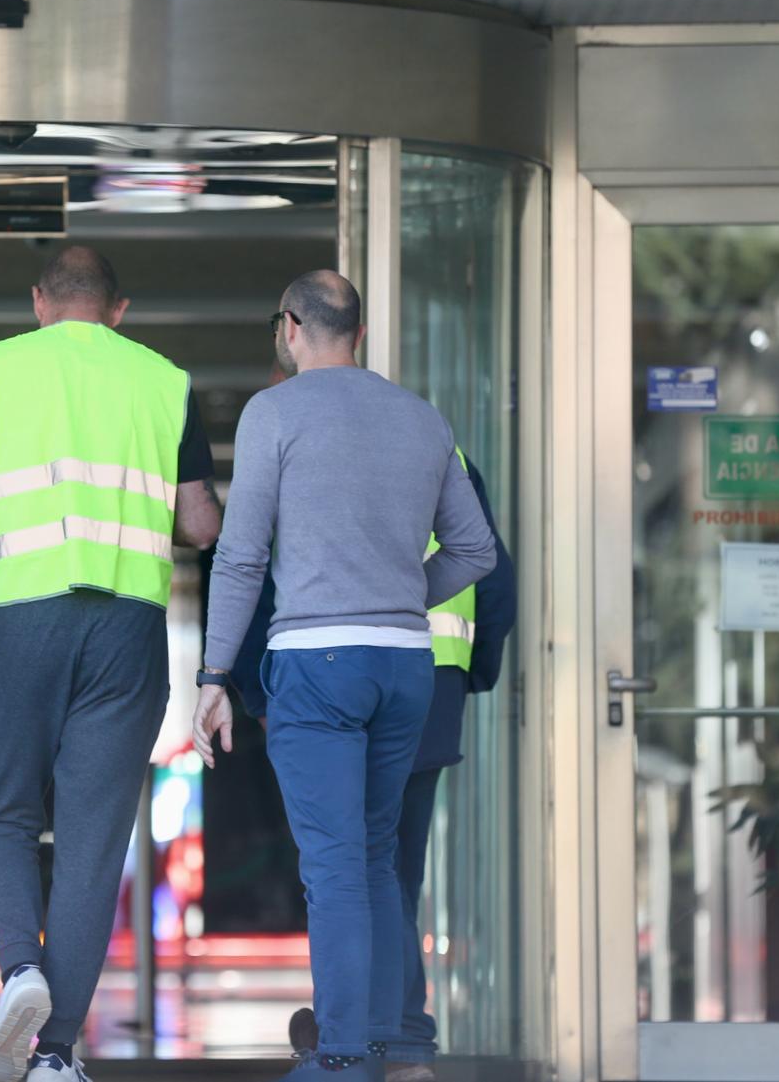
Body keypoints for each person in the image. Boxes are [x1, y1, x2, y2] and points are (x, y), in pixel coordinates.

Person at [194, 271, 495, 1081]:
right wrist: (397, 595)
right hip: (406, 666)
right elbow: (476, 550)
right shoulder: (421, 417)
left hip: (318, 664)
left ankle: (342, 1059)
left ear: (290, 326)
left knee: (333, 868)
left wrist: (215, 670)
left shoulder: (275, 412)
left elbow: (242, 552)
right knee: (370, 859)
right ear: (355, 332)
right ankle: (384, 1045)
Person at [0, 246, 222, 1082]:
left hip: (22, 615)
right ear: (118, 310)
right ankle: (55, 1054)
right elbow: (200, 522)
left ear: (39, 302)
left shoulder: (5, 366)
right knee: (95, 845)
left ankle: (20, 966)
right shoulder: (165, 381)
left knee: (5, 814)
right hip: (127, 628)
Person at [284, 454, 517, 1082]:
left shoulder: (318, 446)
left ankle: (357, 1042)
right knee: (393, 870)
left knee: (349, 865)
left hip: (341, 673)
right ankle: (401, 1044)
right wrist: (474, 672)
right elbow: (495, 577)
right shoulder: (450, 455)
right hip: (432, 681)